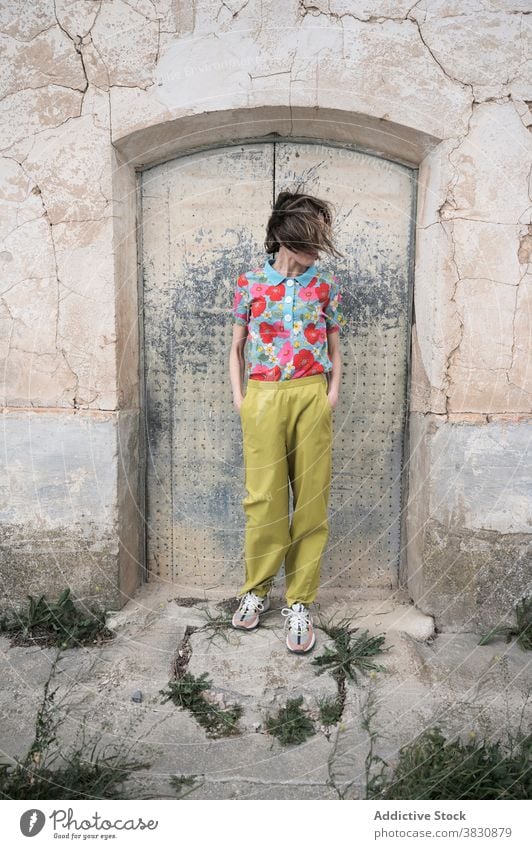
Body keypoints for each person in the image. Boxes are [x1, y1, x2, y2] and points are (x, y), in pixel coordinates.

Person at [228, 190, 346, 654]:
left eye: (320, 241)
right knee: (264, 500)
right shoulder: (250, 283)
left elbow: (335, 343)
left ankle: (299, 601)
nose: (316, 251)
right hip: (262, 397)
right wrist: (241, 398)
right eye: (308, 241)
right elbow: (235, 346)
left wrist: (331, 391)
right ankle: (256, 591)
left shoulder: (324, 286)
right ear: (282, 238)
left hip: (311, 395)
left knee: (312, 501)